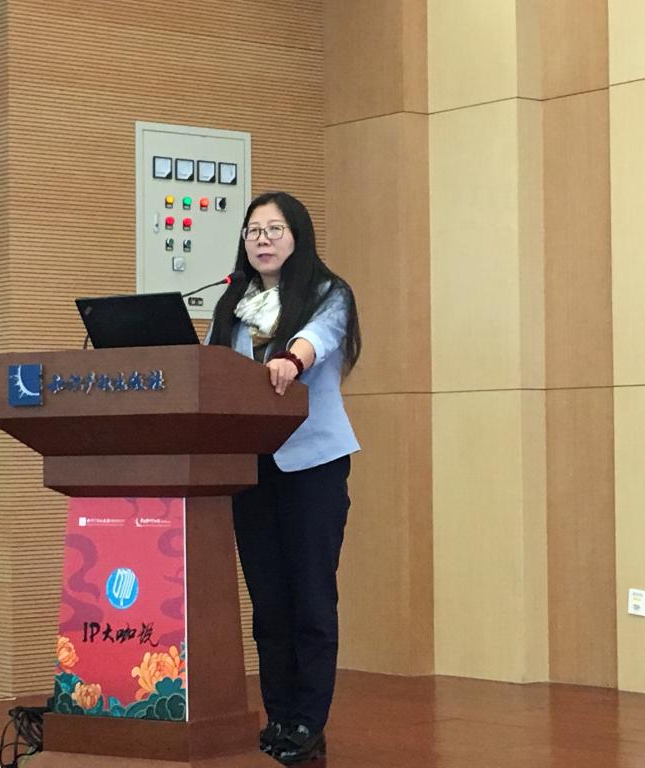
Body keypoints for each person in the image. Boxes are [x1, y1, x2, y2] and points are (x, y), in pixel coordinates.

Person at [207, 191, 361, 765]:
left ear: (298, 236)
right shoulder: (234, 301)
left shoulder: (328, 293)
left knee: (311, 598)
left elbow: (316, 339)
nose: (262, 239)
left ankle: (307, 722)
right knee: (268, 601)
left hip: (313, 465)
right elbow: (214, 369)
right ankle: (278, 719)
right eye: (253, 231)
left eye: (274, 229)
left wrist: (289, 360)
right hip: (251, 466)